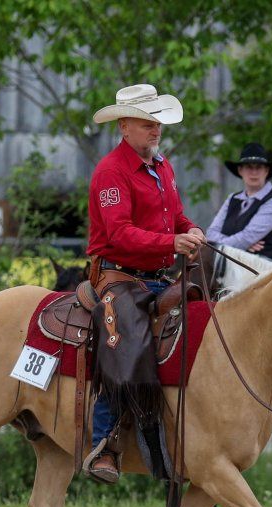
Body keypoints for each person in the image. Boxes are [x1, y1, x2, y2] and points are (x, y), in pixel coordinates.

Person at [82, 83, 207, 484]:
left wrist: (190, 230)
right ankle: (105, 443)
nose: (156, 130)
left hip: (156, 277)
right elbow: (119, 235)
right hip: (118, 276)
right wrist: (173, 241)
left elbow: (176, 216)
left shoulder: (161, 166)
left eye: (158, 124)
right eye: (147, 123)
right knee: (127, 343)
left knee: (204, 320)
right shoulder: (111, 173)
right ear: (124, 127)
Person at [206, 142, 272, 261]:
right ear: (240, 170)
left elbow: (246, 238)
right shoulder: (232, 199)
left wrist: (219, 244)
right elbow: (210, 234)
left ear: (266, 171)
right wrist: (242, 245)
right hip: (226, 271)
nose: (254, 172)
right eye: (249, 167)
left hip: (262, 273)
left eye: (258, 167)